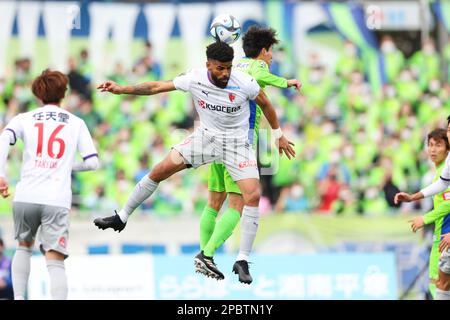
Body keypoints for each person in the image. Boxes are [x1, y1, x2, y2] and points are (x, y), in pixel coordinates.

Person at [93, 41, 296, 281]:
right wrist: (122, 89)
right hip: (205, 139)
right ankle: (122, 216)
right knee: (160, 170)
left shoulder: (245, 82)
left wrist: (278, 135)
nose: (225, 73)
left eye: (228, 68)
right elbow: (156, 86)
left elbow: (267, 105)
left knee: (252, 196)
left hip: (236, 146)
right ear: (208, 65)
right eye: (220, 68)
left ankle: (242, 259)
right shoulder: (194, 78)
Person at [198, 26, 301, 284]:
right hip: (239, 143)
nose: (271, 58)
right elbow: (267, 79)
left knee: (213, 203)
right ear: (263, 51)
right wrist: (288, 82)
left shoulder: (237, 65)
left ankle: (204, 255)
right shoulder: (256, 68)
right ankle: (207, 253)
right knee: (238, 204)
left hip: (215, 139)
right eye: (271, 53)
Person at [0, 70, 99, 300]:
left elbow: (4, 138)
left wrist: (1, 174)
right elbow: (93, 163)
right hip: (56, 198)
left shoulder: (24, 118)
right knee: (55, 261)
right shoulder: (76, 123)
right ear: (64, 94)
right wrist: (65, 165)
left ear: (38, 94)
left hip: (26, 195)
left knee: (23, 247)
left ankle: (18, 297)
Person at [395, 117, 450, 300]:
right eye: (430, 145)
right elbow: (440, 186)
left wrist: (425, 219)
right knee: (438, 283)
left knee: (439, 284)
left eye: (438, 145)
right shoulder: (441, 172)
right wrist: (412, 197)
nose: (433, 149)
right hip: (440, 233)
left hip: (446, 234)